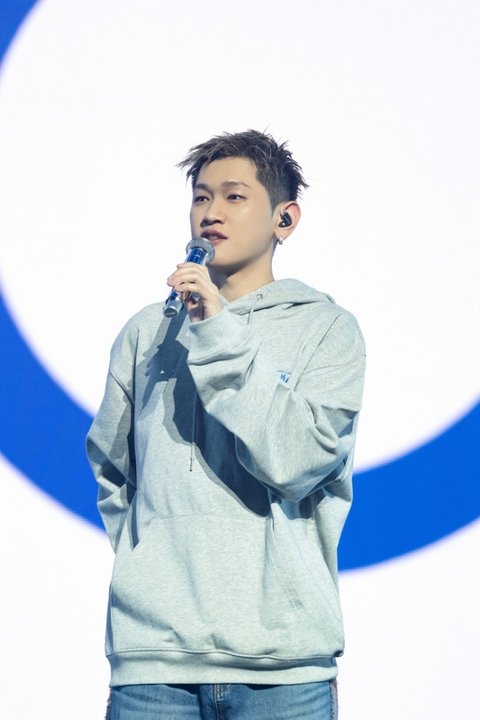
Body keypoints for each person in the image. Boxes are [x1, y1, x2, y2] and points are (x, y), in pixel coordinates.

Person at [86, 129, 366, 719]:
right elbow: (114, 470)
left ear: (284, 219)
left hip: (284, 670)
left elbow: (297, 463)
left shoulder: (327, 331)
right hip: (154, 667)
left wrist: (216, 331)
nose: (211, 212)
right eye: (201, 196)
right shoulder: (147, 333)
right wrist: (150, 566)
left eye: (235, 196)